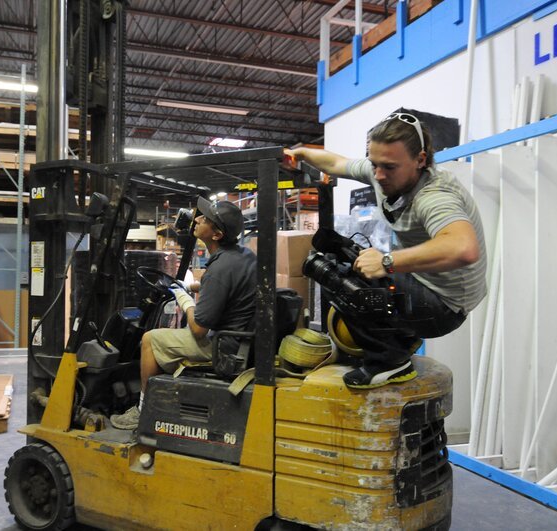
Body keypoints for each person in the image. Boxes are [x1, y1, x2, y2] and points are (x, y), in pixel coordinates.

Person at [286, 112, 487, 389]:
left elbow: (463, 248)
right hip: (425, 283)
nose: (378, 175)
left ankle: (390, 361)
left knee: (339, 278)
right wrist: (301, 153)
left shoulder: (434, 197)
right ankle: (400, 339)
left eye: (389, 167)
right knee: (342, 253)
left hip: (444, 306)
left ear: (421, 160)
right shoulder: (382, 170)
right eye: (374, 163)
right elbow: (335, 163)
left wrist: (388, 262)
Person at [111, 197, 257, 429]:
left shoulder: (219, 269)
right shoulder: (243, 256)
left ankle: (143, 409)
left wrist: (185, 300)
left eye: (205, 219)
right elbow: (229, 287)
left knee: (150, 339)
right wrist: (190, 287)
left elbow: (199, 329)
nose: (197, 219)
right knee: (173, 333)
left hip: (224, 347)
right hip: (241, 341)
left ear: (216, 235)